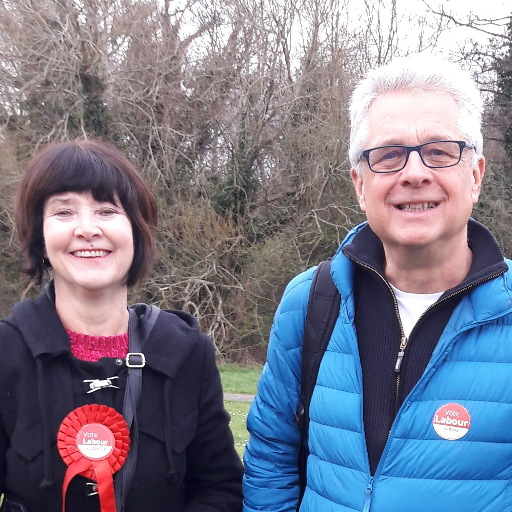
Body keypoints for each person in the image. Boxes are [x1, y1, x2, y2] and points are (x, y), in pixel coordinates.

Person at [243, 54, 512, 512]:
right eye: (388, 156)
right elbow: (271, 460)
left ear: (475, 175)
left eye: (440, 152)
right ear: (360, 184)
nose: (414, 173)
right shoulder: (309, 303)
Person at [0, 139, 243, 512]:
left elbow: (219, 489)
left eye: (107, 210)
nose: (87, 229)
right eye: (64, 212)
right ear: (41, 237)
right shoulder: (6, 352)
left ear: (136, 230)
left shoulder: (187, 352)